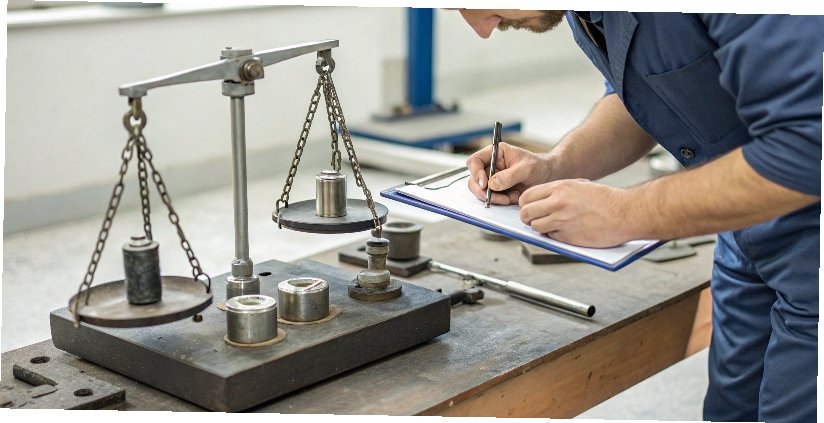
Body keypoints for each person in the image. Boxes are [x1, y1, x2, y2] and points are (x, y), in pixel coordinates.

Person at [454, 9, 821, 423]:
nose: (481, 28)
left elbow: (807, 146)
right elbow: (646, 95)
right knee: (732, 410)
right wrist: (556, 164)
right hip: (742, 228)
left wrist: (624, 212)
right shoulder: (583, 11)